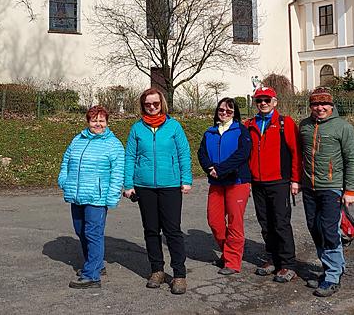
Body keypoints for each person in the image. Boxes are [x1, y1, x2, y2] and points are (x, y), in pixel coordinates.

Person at [122, 87, 193, 295]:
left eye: (155, 103)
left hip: (170, 185)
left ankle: (179, 274)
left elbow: (184, 153)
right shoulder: (137, 129)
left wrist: (186, 179)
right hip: (144, 186)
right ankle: (157, 270)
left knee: (173, 231)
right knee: (151, 230)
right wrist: (128, 184)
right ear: (143, 106)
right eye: (148, 104)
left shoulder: (174, 127)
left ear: (162, 103)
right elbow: (129, 157)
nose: (152, 107)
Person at [298, 86, 354, 298]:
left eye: (324, 103)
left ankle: (333, 276)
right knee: (314, 228)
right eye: (315, 104)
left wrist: (350, 189)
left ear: (331, 106)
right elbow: (300, 155)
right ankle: (330, 268)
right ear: (311, 106)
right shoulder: (304, 126)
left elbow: (352, 159)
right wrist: (297, 181)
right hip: (309, 187)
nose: (320, 108)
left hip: (332, 188)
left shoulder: (343, 127)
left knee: (328, 230)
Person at [58, 104, 125, 289]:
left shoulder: (113, 144)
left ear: (107, 122)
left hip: (97, 197)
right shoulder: (77, 139)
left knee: (93, 234)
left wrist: (112, 196)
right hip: (77, 194)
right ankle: (95, 265)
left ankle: (92, 276)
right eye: (94, 120)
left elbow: (117, 173)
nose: (98, 124)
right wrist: (64, 180)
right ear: (88, 121)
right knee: (80, 231)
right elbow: (66, 161)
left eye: (101, 120)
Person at [245, 85, 301, 283]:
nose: (263, 104)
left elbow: (296, 153)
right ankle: (271, 258)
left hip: (279, 180)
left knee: (281, 223)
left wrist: (295, 180)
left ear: (274, 102)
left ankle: (288, 264)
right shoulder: (249, 124)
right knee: (265, 223)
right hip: (257, 181)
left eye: (267, 100)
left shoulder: (285, 123)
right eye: (259, 100)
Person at [197, 97, 252, 275]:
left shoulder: (241, 130)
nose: (224, 113)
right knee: (214, 221)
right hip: (217, 182)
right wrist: (210, 169)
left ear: (234, 113)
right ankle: (228, 252)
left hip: (237, 181)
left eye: (229, 111)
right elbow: (202, 153)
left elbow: (242, 154)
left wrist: (221, 169)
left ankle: (232, 262)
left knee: (235, 222)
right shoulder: (210, 132)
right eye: (221, 110)